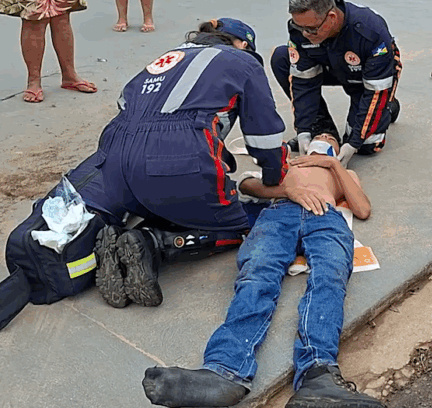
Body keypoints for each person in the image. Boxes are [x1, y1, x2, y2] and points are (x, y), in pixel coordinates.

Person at [142, 132, 388, 408]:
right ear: (305, 143)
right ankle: (225, 370)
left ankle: (319, 374)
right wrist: (288, 189)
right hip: (279, 213)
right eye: (320, 135)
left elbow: (361, 209)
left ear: (337, 149)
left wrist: (333, 165)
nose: (324, 138)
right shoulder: (288, 163)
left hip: (326, 215)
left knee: (330, 277)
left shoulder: (342, 171)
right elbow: (245, 184)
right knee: (256, 275)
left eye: (330, 138)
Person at [90, 18, 289, 309]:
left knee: (170, 196)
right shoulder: (243, 62)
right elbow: (265, 137)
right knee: (250, 219)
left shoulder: (168, 58)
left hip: (114, 164)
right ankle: (153, 244)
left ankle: (121, 239)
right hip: (174, 156)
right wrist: (275, 177)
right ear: (243, 44)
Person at [271, 0, 402, 167]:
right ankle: (322, 127)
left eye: (311, 29)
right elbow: (303, 81)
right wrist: (304, 130)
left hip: (366, 76)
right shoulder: (301, 28)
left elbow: (374, 91)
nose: (304, 34)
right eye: (299, 27)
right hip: (328, 65)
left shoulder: (370, 32)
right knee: (282, 58)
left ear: (331, 17)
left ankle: (388, 107)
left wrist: (353, 143)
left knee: (366, 145)